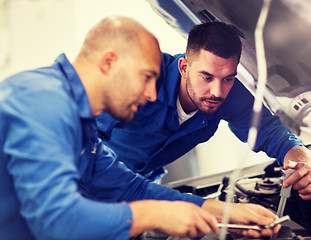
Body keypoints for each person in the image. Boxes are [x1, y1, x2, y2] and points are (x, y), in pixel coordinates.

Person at [0, 16, 280, 239]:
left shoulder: (80, 123)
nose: (150, 94)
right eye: (146, 77)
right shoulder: (42, 101)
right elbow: (56, 221)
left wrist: (222, 210)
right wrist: (151, 216)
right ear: (109, 62)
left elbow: (132, 189)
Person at [97, 21, 311, 200]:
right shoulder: (141, 79)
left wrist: (307, 165)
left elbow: (275, 135)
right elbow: (82, 139)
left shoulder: (231, 94)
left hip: (145, 185)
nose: (217, 91)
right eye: (207, 77)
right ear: (184, 67)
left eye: (228, 78)